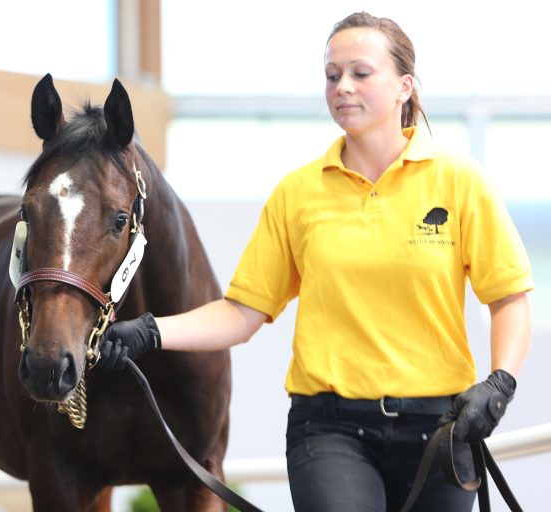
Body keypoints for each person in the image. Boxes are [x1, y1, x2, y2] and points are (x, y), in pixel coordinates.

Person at [98, 11, 533, 512]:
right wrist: (149, 332)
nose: (342, 86)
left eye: (360, 73)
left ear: (404, 86)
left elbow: (509, 299)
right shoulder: (297, 194)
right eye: (332, 75)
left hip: (439, 429)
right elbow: (242, 313)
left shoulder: (460, 182)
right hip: (330, 432)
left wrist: (500, 382)